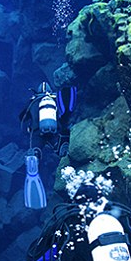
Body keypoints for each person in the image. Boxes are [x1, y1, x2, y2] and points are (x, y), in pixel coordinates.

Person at [19, 82, 76, 210]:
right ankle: (62, 148)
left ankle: (35, 156)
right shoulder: (56, 98)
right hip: (54, 131)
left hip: (37, 132)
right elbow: (65, 117)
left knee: (36, 148)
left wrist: (27, 128)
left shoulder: (33, 101)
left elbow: (21, 118)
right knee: (59, 145)